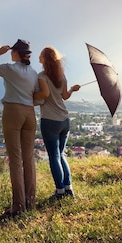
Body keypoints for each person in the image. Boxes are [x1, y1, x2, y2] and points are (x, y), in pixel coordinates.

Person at [0, 39, 39, 215]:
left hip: (13, 112)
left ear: (16, 53)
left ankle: (19, 206)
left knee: (15, 159)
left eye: (12, 51)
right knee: (29, 159)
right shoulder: (33, 73)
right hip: (30, 114)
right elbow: (36, 95)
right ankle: (30, 201)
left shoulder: (9, 69)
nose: (10, 53)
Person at [33, 46, 80, 199]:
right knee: (60, 154)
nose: (38, 56)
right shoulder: (62, 76)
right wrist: (72, 89)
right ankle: (69, 188)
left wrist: (31, 95)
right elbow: (65, 96)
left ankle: (59, 191)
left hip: (50, 121)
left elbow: (44, 94)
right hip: (64, 120)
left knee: (54, 156)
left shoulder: (42, 76)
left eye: (40, 55)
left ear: (44, 59)